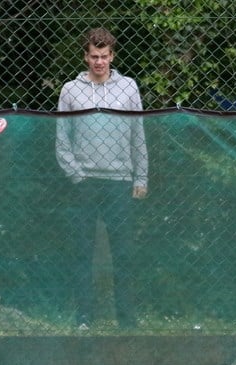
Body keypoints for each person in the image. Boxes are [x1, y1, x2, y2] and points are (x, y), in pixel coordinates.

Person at [56, 27, 148, 329]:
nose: (99, 62)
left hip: (121, 181)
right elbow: (62, 140)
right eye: (94, 56)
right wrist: (76, 175)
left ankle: (127, 320)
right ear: (85, 56)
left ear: (112, 56)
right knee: (82, 251)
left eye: (104, 56)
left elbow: (138, 135)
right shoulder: (70, 90)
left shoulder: (129, 88)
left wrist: (140, 177)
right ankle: (84, 316)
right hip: (84, 182)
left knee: (124, 253)